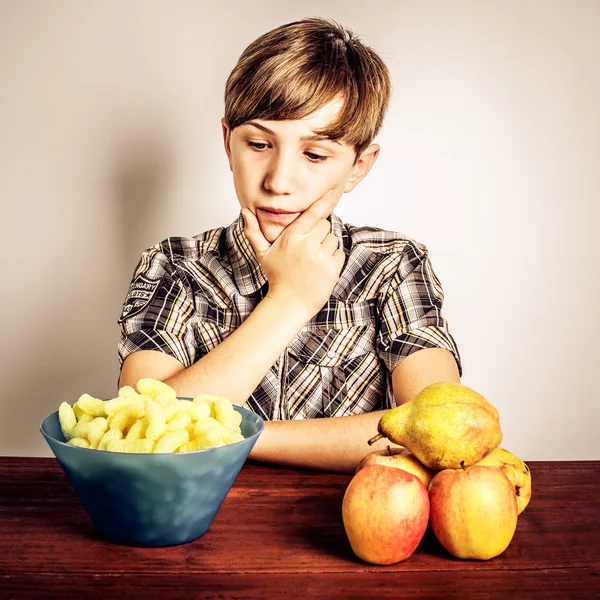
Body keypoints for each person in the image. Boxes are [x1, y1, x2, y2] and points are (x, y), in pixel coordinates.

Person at [117, 17, 462, 473]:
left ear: (359, 166)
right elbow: (143, 429)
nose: (278, 182)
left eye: (315, 155)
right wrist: (289, 301)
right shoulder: (173, 265)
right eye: (259, 144)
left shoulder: (394, 266)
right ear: (227, 142)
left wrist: (241, 434)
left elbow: (439, 432)